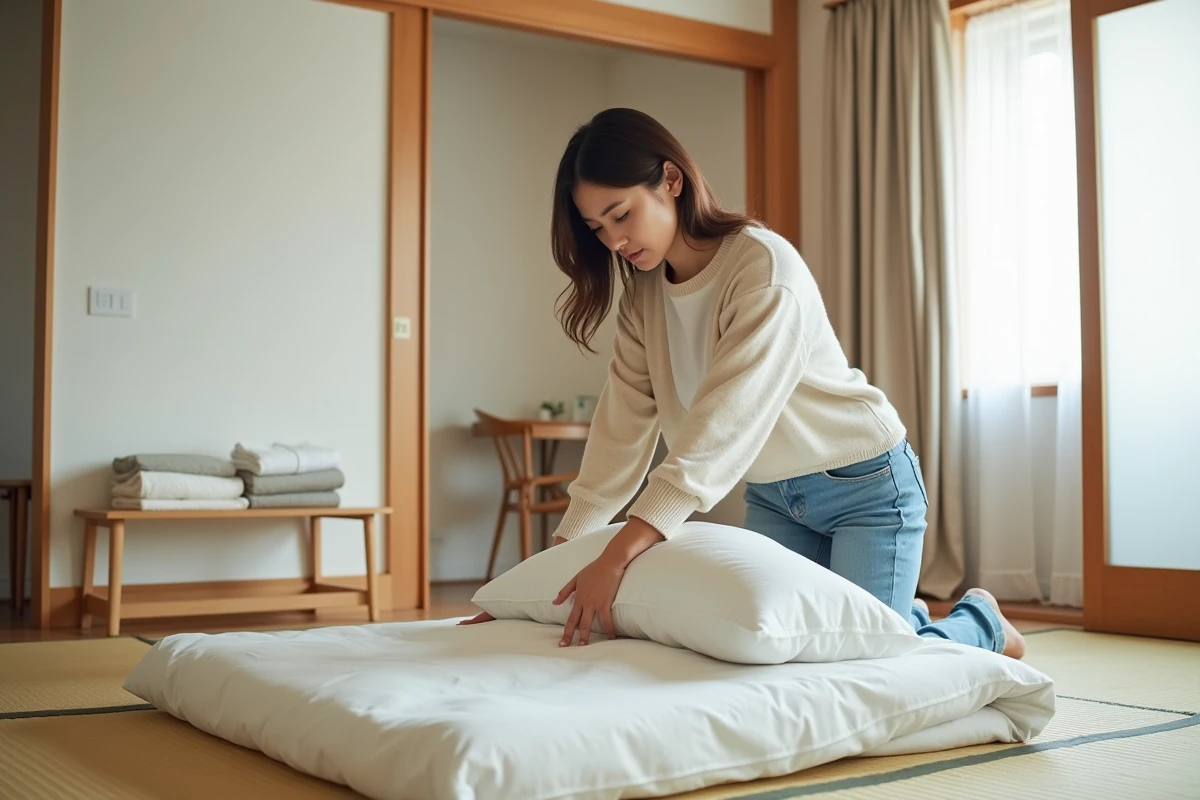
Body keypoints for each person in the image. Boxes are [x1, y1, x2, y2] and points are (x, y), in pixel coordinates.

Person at [461, 107, 1024, 661]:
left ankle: (982, 624)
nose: (613, 241)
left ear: (671, 181)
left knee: (871, 659)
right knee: (781, 651)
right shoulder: (643, 296)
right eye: (597, 228)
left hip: (864, 485)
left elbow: (724, 422)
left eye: (621, 214)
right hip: (775, 497)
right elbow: (620, 432)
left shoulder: (762, 268)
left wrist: (617, 553)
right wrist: (542, 577)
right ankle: (909, 616)